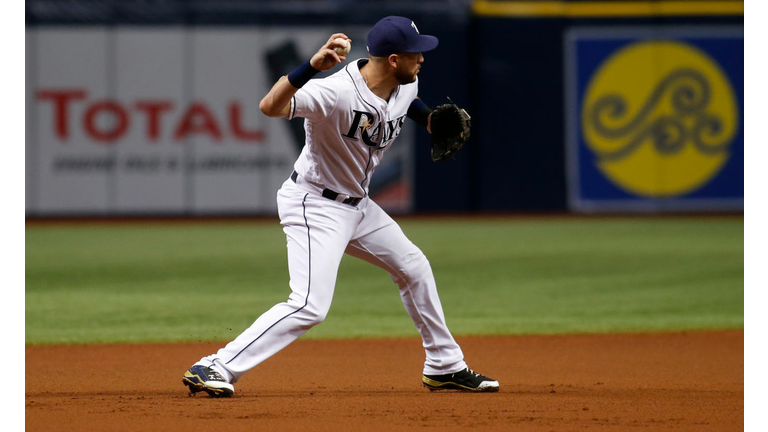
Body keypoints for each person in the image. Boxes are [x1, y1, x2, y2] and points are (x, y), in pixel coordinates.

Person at [182, 16, 499, 397]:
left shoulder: (407, 80)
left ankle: (445, 365)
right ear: (394, 59)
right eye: (416, 53)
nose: (423, 59)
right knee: (309, 306)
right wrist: (311, 67)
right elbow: (269, 106)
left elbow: (407, 102)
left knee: (414, 267)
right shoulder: (333, 92)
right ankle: (214, 365)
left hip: (359, 206)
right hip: (314, 203)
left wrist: (429, 119)